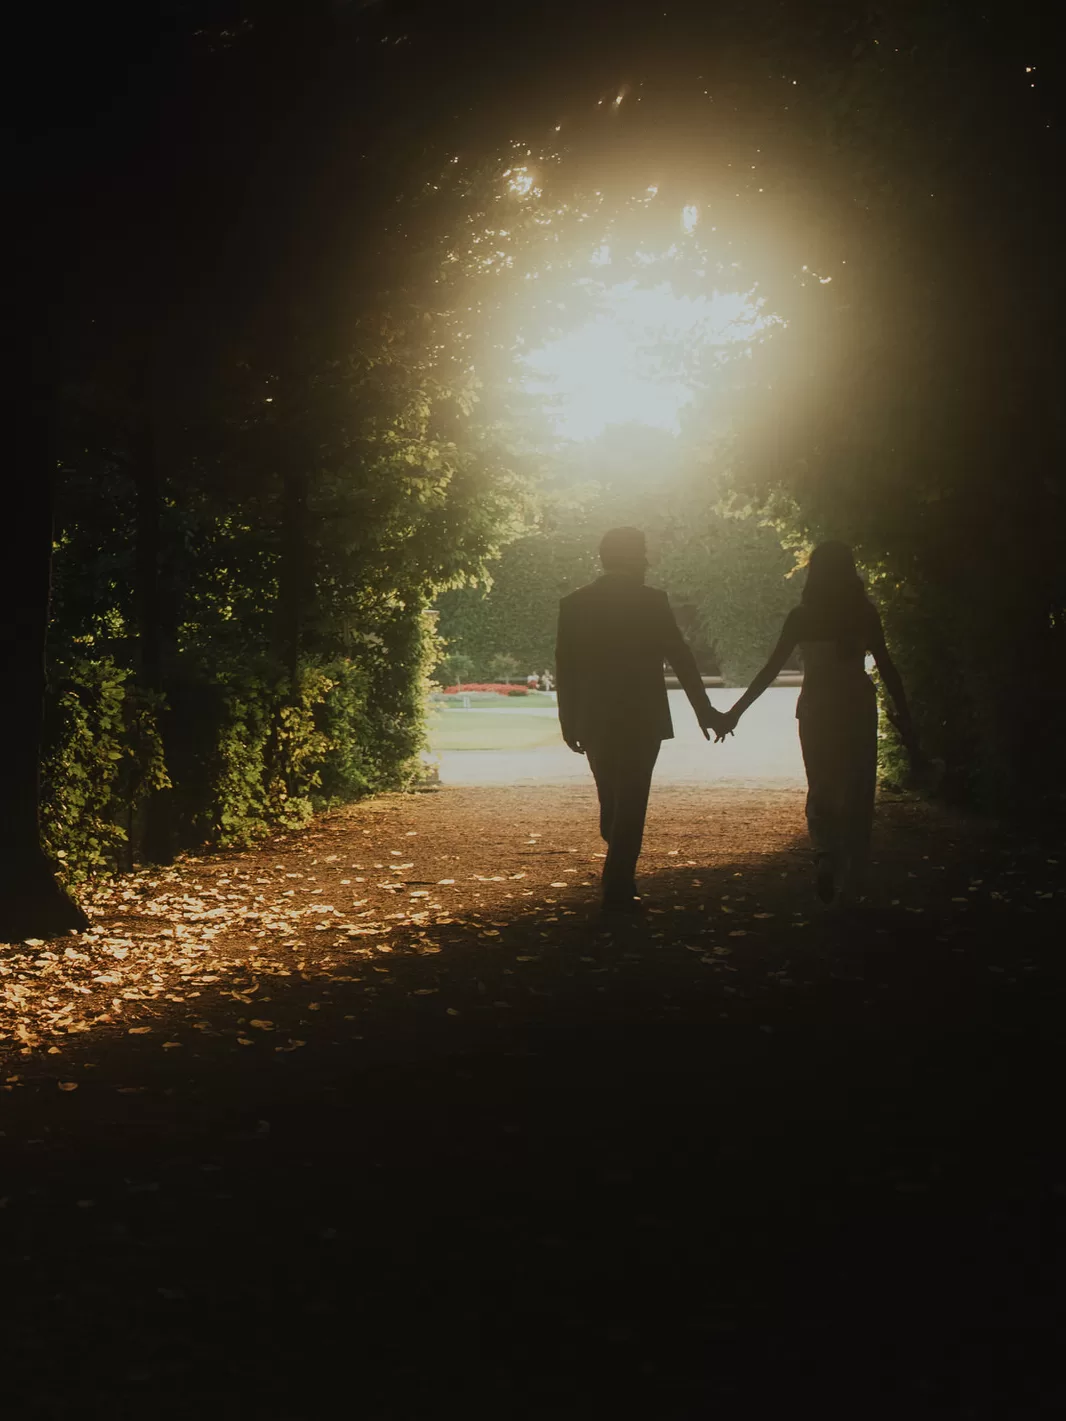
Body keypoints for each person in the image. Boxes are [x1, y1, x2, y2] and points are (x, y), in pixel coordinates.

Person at [718, 541, 920, 906]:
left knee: (822, 784)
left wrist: (735, 711)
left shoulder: (802, 616)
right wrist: (906, 717)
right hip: (857, 706)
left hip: (817, 707)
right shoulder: (864, 614)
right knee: (858, 791)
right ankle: (853, 883)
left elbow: (770, 670)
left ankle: (825, 852)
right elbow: (888, 668)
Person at [555, 526, 728, 912]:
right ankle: (619, 876)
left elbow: (565, 668)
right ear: (632, 557)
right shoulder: (652, 602)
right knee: (631, 800)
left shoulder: (575, 604)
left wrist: (569, 719)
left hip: (596, 717)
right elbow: (680, 656)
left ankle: (617, 882)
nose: (648, 562)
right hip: (641, 715)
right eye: (644, 554)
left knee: (612, 800)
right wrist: (704, 711)